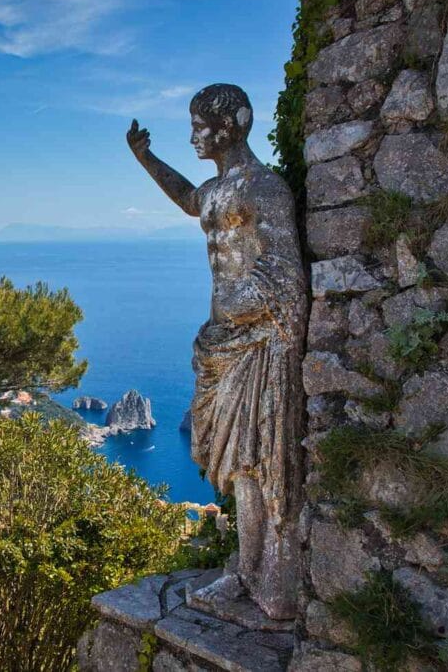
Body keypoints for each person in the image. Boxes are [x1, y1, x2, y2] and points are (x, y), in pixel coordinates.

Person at [127, 84, 307, 620]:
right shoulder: (218, 190)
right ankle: (248, 570)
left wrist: (234, 307)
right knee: (237, 460)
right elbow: (189, 198)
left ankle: (272, 578)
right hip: (224, 341)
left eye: (199, 127)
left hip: (259, 342)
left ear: (230, 126)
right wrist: (146, 159)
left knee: (260, 457)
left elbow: (285, 274)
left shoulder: (264, 188)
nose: (192, 137)